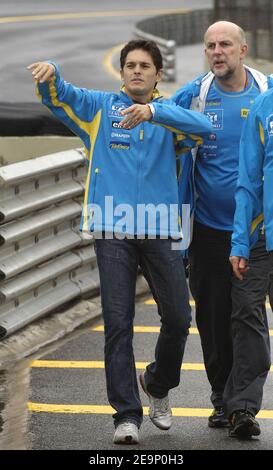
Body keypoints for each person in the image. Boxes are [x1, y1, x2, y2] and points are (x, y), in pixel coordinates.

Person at [27, 40, 212, 445]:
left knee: (180, 319)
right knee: (118, 324)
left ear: (158, 74)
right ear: (122, 72)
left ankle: (158, 386)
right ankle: (126, 416)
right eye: (130, 65)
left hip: (161, 232)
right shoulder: (98, 108)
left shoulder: (169, 118)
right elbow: (59, 96)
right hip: (113, 232)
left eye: (145, 66)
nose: (136, 71)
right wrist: (52, 70)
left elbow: (204, 129)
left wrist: (155, 112)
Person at [170, 21, 273, 428]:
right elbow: (160, 125)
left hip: (257, 230)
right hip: (209, 229)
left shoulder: (266, 95)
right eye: (210, 45)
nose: (217, 51)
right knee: (214, 320)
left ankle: (241, 406)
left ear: (243, 50)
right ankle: (222, 398)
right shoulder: (195, 96)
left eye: (225, 44)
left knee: (248, 317)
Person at [227, 87, 273, 439]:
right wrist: (240, 241)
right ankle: (242, 408)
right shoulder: (263, 106)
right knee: (246, 313)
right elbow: (247, 180)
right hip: (261, 238)